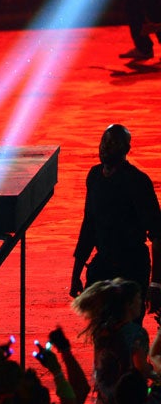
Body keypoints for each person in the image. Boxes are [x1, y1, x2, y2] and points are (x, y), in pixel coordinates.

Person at [70, 124, 161, 308]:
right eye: (104, 141)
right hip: (103, 263)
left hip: (132, 268)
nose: (106, 146)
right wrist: (75, 273)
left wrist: (156, 283)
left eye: (113, 143)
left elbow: (158, 234)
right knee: (101, 330)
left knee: (127, 329)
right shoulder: (95, 175)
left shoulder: (137, 181)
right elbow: (89, 225)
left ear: (126, 149)